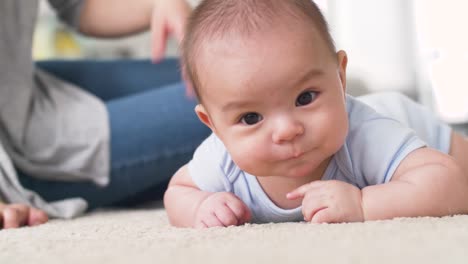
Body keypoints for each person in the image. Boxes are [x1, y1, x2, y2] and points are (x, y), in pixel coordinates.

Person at [163, 0, 468, 228]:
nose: (287, 130)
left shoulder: (367, 134)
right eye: (251, 118)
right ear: (213, 125)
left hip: (411, 122)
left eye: (305, 98)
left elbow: (451, 185)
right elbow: (179, 190)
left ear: (340, 77)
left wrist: (364, 204)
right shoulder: (221, 160)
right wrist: (200, 206)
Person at [0, 0, 211, 229]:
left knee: (220, 65)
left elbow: (76, 6)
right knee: (235, 97)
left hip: (25, 87)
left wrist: (158, 5)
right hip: (15, 155)